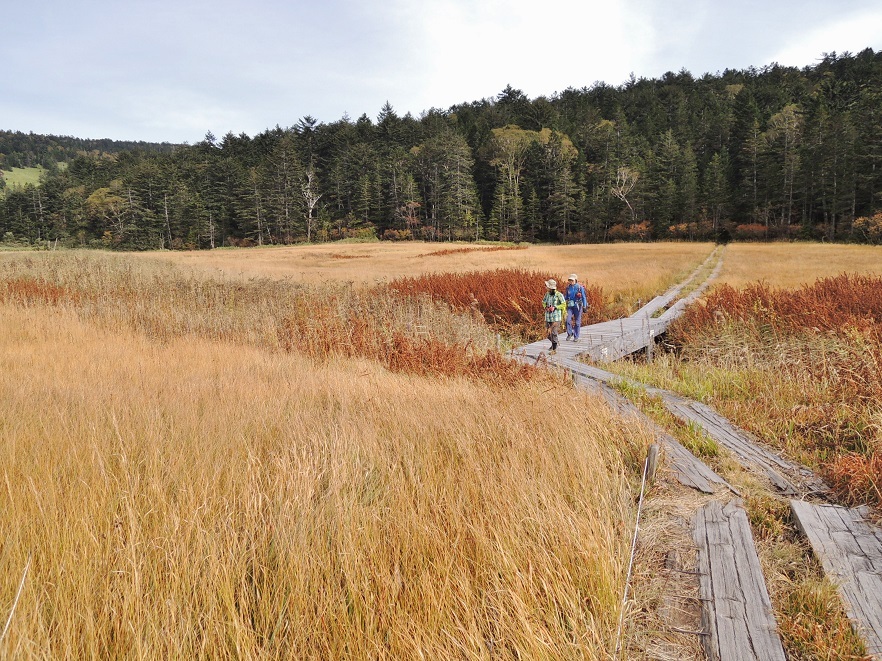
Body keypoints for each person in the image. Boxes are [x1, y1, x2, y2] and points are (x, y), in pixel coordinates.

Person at [542, 279, 566, 354]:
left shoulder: (559, 295)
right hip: (548, 316)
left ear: (551, 287)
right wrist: (545, 307)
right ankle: (554, 343)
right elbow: (543, 302)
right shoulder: (547, 294)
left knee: (553, 332)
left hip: (556, 317)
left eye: (547, 286)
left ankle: (554, 350)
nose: (546, 287)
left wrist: (555, 307)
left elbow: (564, 304)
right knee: (547, 333)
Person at [564, 274, 589, 342]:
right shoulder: (568, 288)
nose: (570, 281)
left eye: (572, 280)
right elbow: (566, 297)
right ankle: (570, 333)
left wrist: (584, 306)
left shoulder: (580, 288)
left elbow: (583, 297)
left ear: (575, 280)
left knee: (577, 322)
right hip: (570, 306)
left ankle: (576, 336)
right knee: (567, 320)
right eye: (570, 280)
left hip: (578, 306)